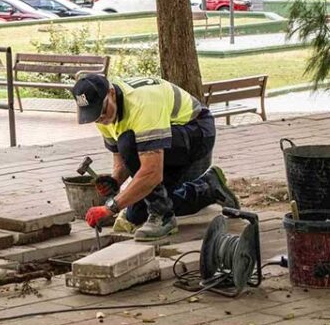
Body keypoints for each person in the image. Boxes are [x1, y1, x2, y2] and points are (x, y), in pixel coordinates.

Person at [71, 74, 239, 241]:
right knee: (137, 214)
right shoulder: (104, 116)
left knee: (128, 143)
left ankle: (163, 217)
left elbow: (152, 172)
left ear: (111, 93)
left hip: (196, 134)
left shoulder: (142, 104)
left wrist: (111, 208)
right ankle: (209, 188)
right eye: (94, 116)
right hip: (165, 144)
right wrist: (115, 181)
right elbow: (120, 159)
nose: (101, 119)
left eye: (102, 112)